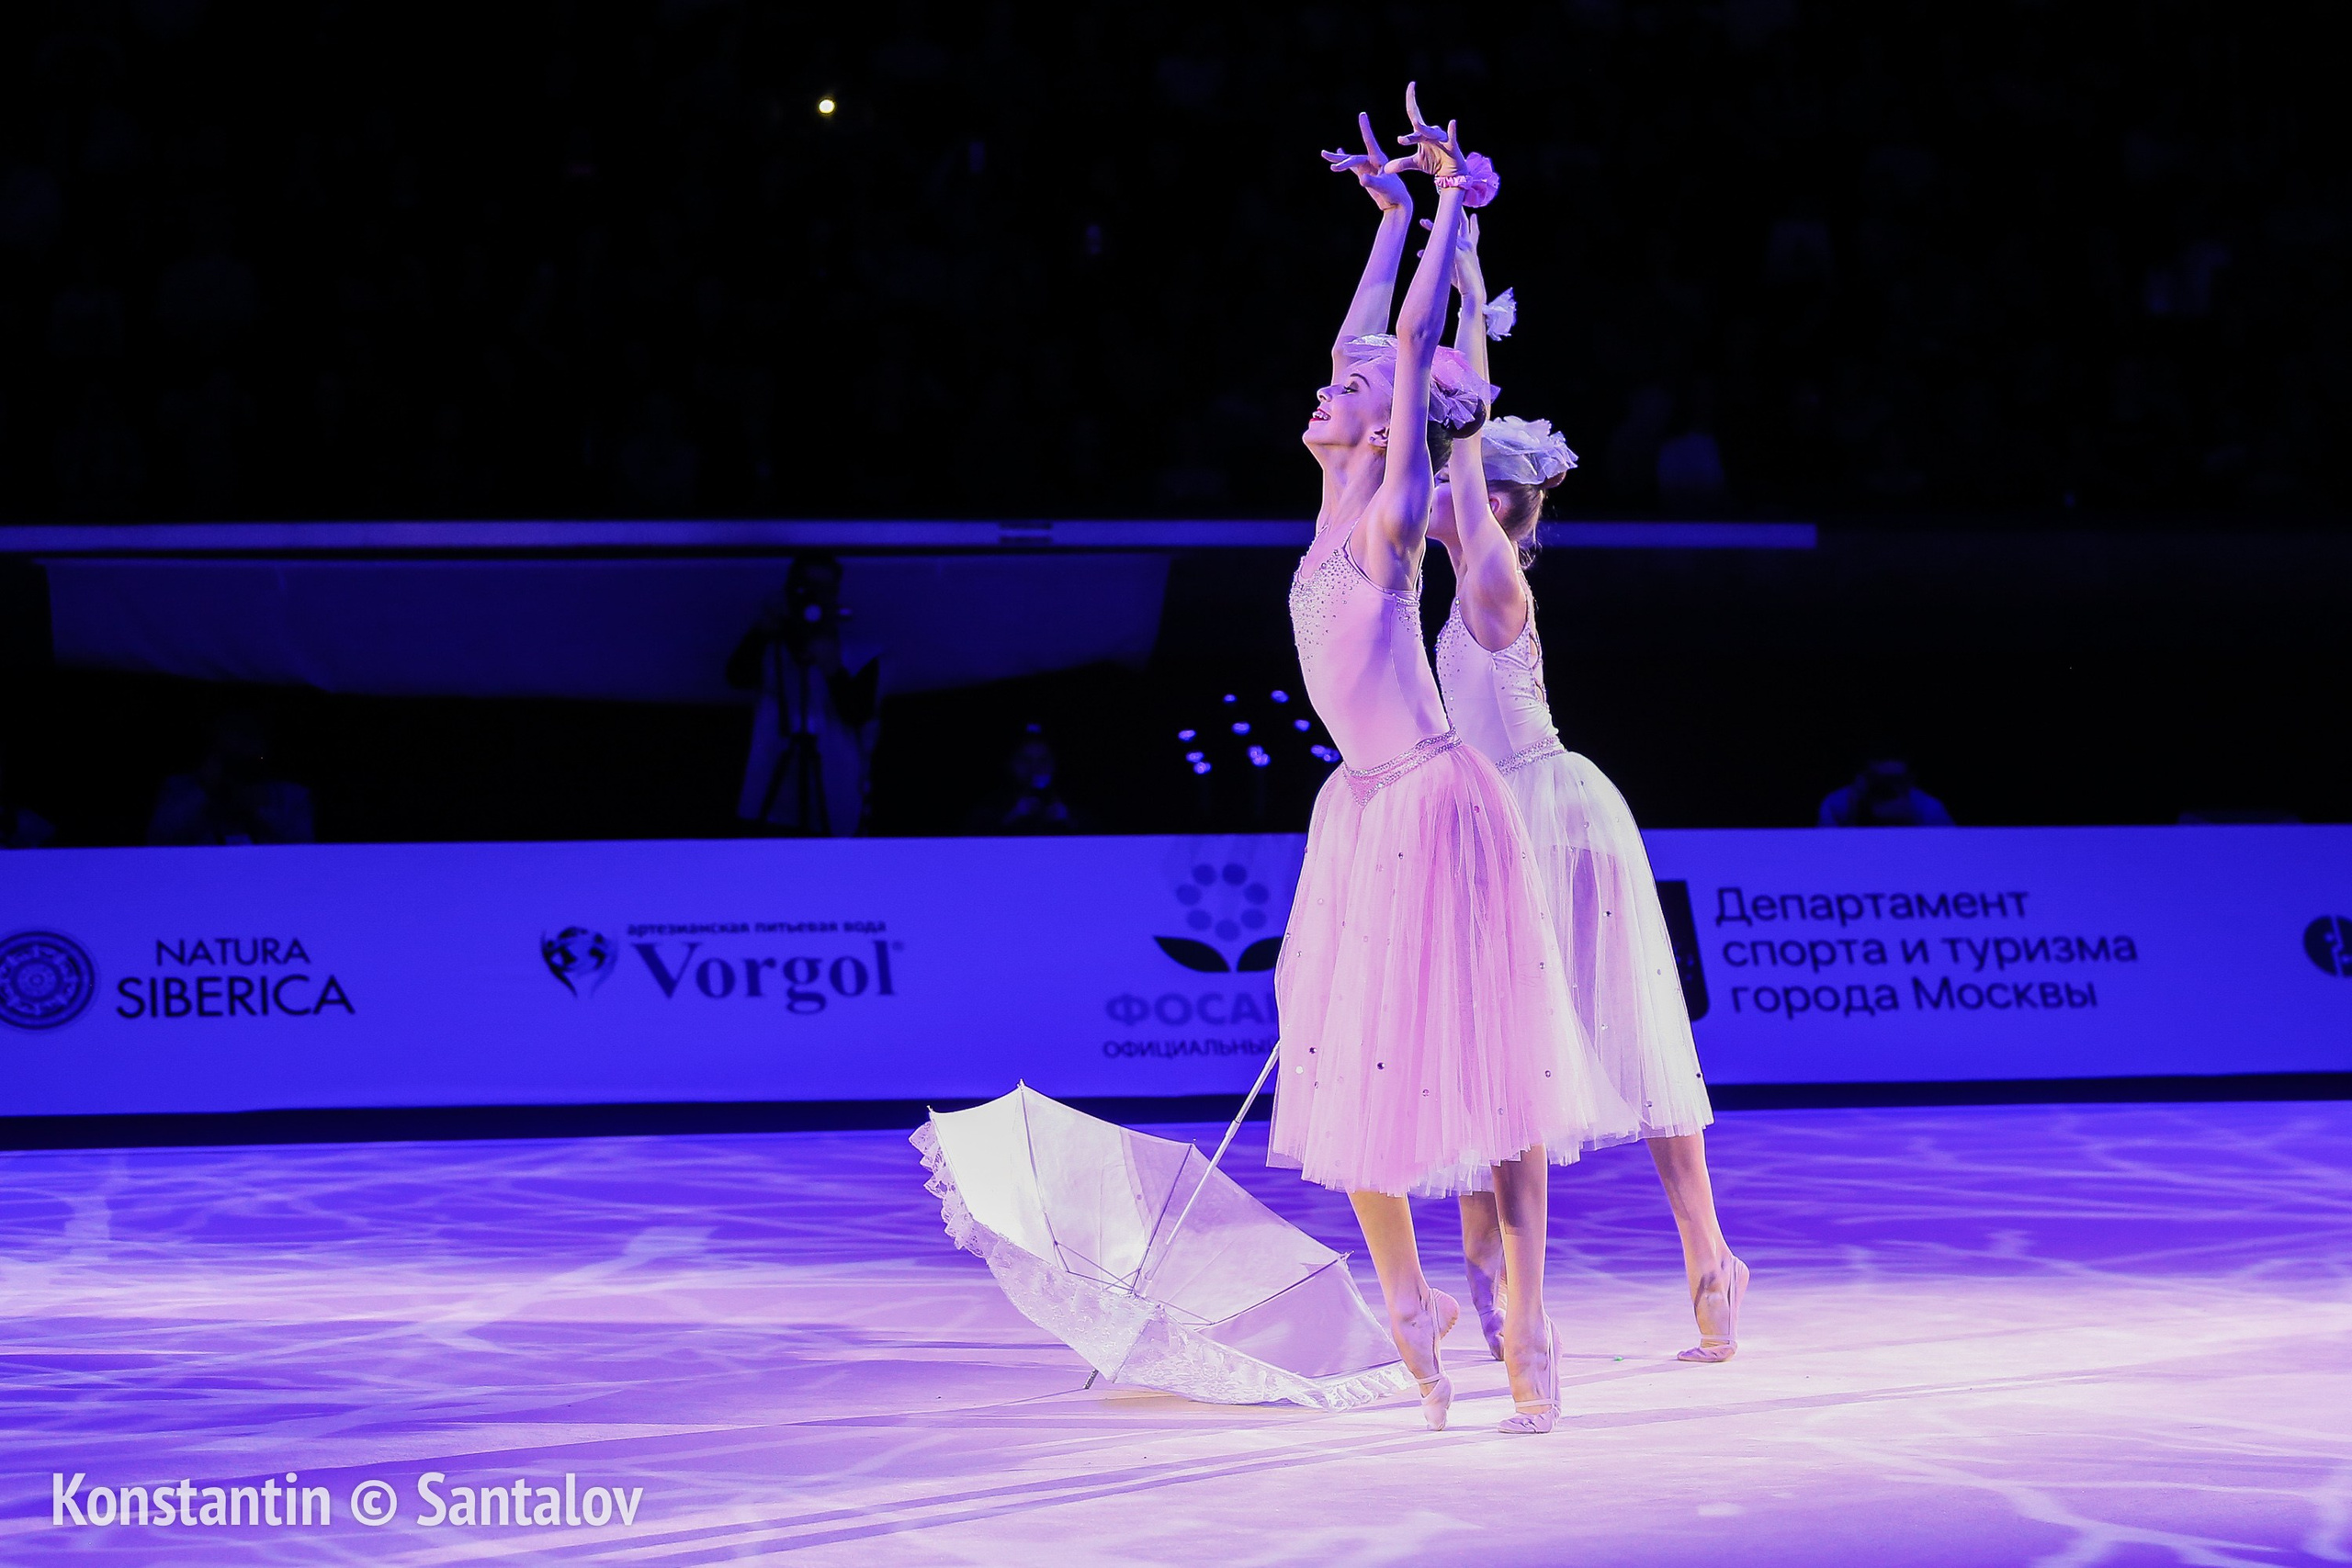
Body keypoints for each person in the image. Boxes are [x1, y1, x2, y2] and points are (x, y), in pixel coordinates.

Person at [1276, 89, 1631, 1436]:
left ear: (1387, 428)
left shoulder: (1391, 518)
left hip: (1438, 800)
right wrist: (1381, 217)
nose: (1327, 386)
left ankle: (1527, 1305)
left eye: (1351, 391)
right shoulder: (1331, 493)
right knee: (1345, 1059)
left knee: (1494, 1069)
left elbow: (1411, 345)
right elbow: (1364, 337)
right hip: (1362, 807)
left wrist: (1444, 220)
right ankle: (1413, 1297)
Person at [1424, 217, 1749, 1366]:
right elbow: (1456, 436)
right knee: (1490, 1056)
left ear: (1501, 508)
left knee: (1616, 1044)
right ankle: (1500, 1285)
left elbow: (1458, 447)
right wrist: (1459, 277)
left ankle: (1704, 1255)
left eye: (1465, 487)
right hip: (1491, 825)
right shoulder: (1466, 567)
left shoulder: (1493, 571)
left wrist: (1462, 307)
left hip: (1547, 819)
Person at [727, 554, 882, 837]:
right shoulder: (770, 644)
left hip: (832, 787)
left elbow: (858, 713)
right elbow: (737, 677)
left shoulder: (858, 652)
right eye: (806, 587)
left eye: (825, 590)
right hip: (770, 786)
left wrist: (833, 669)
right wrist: (763, 629)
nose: (815, 596)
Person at [147, 710, 315, 846]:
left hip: (268, 876)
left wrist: (258, 810)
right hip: (198, 875)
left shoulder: (292, 796)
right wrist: (204, 791)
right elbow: (159, 837)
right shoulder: (179, 787)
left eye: (249, 735)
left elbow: (305, 847)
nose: (241, 745)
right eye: (234, 731)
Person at [1818, 758, 1953, 826]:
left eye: (1895, 780)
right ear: (1861, 778)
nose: (1887, 788)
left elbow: (1949, 853)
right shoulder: (1836, 806)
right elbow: (1826, 854)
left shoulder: (1929, 810)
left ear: (1910, 780)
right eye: (1878, 779)